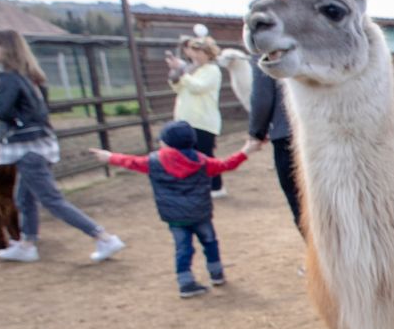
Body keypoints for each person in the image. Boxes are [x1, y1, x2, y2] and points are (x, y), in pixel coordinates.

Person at [0, 28, 126, 265]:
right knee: (24, 198)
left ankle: (103, 237)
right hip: (38, 145)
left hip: (28, 149)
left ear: (4, 47)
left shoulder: (8, 78)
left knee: (51, 200)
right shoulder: (31, 76)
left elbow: (6, 113)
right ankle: (27, 244)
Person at [92, 122, 256, 297]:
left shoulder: (153, 162)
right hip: (200, 213)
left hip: (175, 217)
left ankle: (185, 282)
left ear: (167, 143)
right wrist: (247, 149)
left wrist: (109, 157)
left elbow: (130, 161)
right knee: (210, 242)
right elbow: (226, 164)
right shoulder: (202, 161)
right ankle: (216, 274)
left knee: (183, 248)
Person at [165, 35, 225, 193]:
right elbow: (177, 88)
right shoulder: (191, 69)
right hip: (185, 120)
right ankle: (195, 186)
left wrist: (183, 75)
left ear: (208, 53)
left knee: (205, 155)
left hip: (203, 121)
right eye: (194, 51)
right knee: (186, 156)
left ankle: (216, 187)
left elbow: (198, 87)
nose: (196, 55)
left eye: (200, 52)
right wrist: (175, 72)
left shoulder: (212, 70)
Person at [247, 62, 301, 231]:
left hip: (289, 134)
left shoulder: (268, 54)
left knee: (302, 206)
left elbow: (261, 97)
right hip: (331, 135)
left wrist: (257, 131)